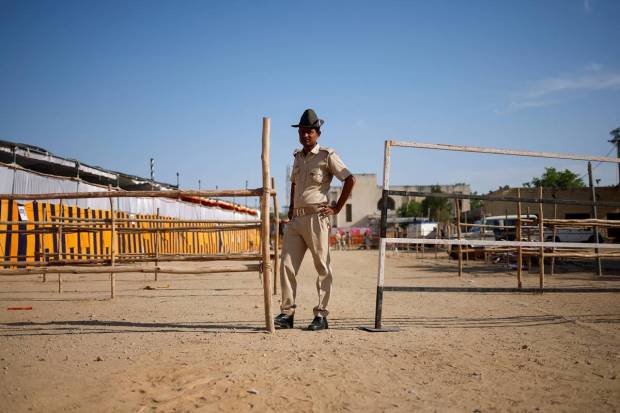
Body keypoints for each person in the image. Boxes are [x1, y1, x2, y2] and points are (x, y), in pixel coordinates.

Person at [274, 109, 356, 331]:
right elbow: (293, 183)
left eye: (310, 131)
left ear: (318, 133)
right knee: (286, 266)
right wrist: (291, 208)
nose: (305, 135)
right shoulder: (297, 157)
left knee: (322, 267)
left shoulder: (327, 156)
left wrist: (337, 208)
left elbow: (349, 179)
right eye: (302, 131)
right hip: (296, 221)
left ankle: (321, 315)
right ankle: (286, 314)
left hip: (316, 219)